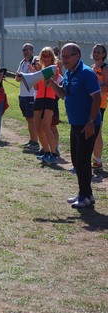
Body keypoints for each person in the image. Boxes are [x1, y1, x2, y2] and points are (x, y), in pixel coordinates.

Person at [48, 43, 102, 208]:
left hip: (88, 124)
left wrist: (91, 121)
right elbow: (64, 95)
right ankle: (85, 193)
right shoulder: (70, 73)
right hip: (75, 123)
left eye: (67, 56)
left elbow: (97, 98)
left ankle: (85, 196)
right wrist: (51, 83)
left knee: (83, 160)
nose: (63, 60)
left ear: (77, 56)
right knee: (76, 160)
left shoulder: (86, 73)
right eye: (62, 57)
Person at [33, 47, 61, 164]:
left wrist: (42, 73)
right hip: (39, 98)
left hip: (49, 98)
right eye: (43, 56)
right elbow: (36, 87)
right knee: (38, 127)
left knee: (46, 126)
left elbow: (51, 83)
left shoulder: (55, 69)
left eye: (48, 55)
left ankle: (54, 153)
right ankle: (46, 151)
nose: (45, 58)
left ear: (52, 57)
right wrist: (35, 75)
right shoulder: (40, 69)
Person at [15, 43, 40, 151]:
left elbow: (38, 75)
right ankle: (32, 140)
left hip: (31, 94)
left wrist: (24, 76)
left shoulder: (36, 61)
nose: (26, 52)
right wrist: (20, 77)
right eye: (24, 50)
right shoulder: (22, 62)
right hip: (23, 94)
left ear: (32, 51)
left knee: (32, 119)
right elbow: (17, 78)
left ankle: (35, 143)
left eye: (28, 50)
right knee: (28, 118)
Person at [91, 44, 108, 169]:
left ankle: (97, 160)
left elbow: (107, 86)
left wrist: (95, 87)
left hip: (100, 104)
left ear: (103, 54)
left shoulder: (105, 68)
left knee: (97, 132)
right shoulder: (92, 68)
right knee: (90, 131)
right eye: (94, 51)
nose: (96, 54)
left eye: (99, 52)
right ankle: (93, 158)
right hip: (89, 103)